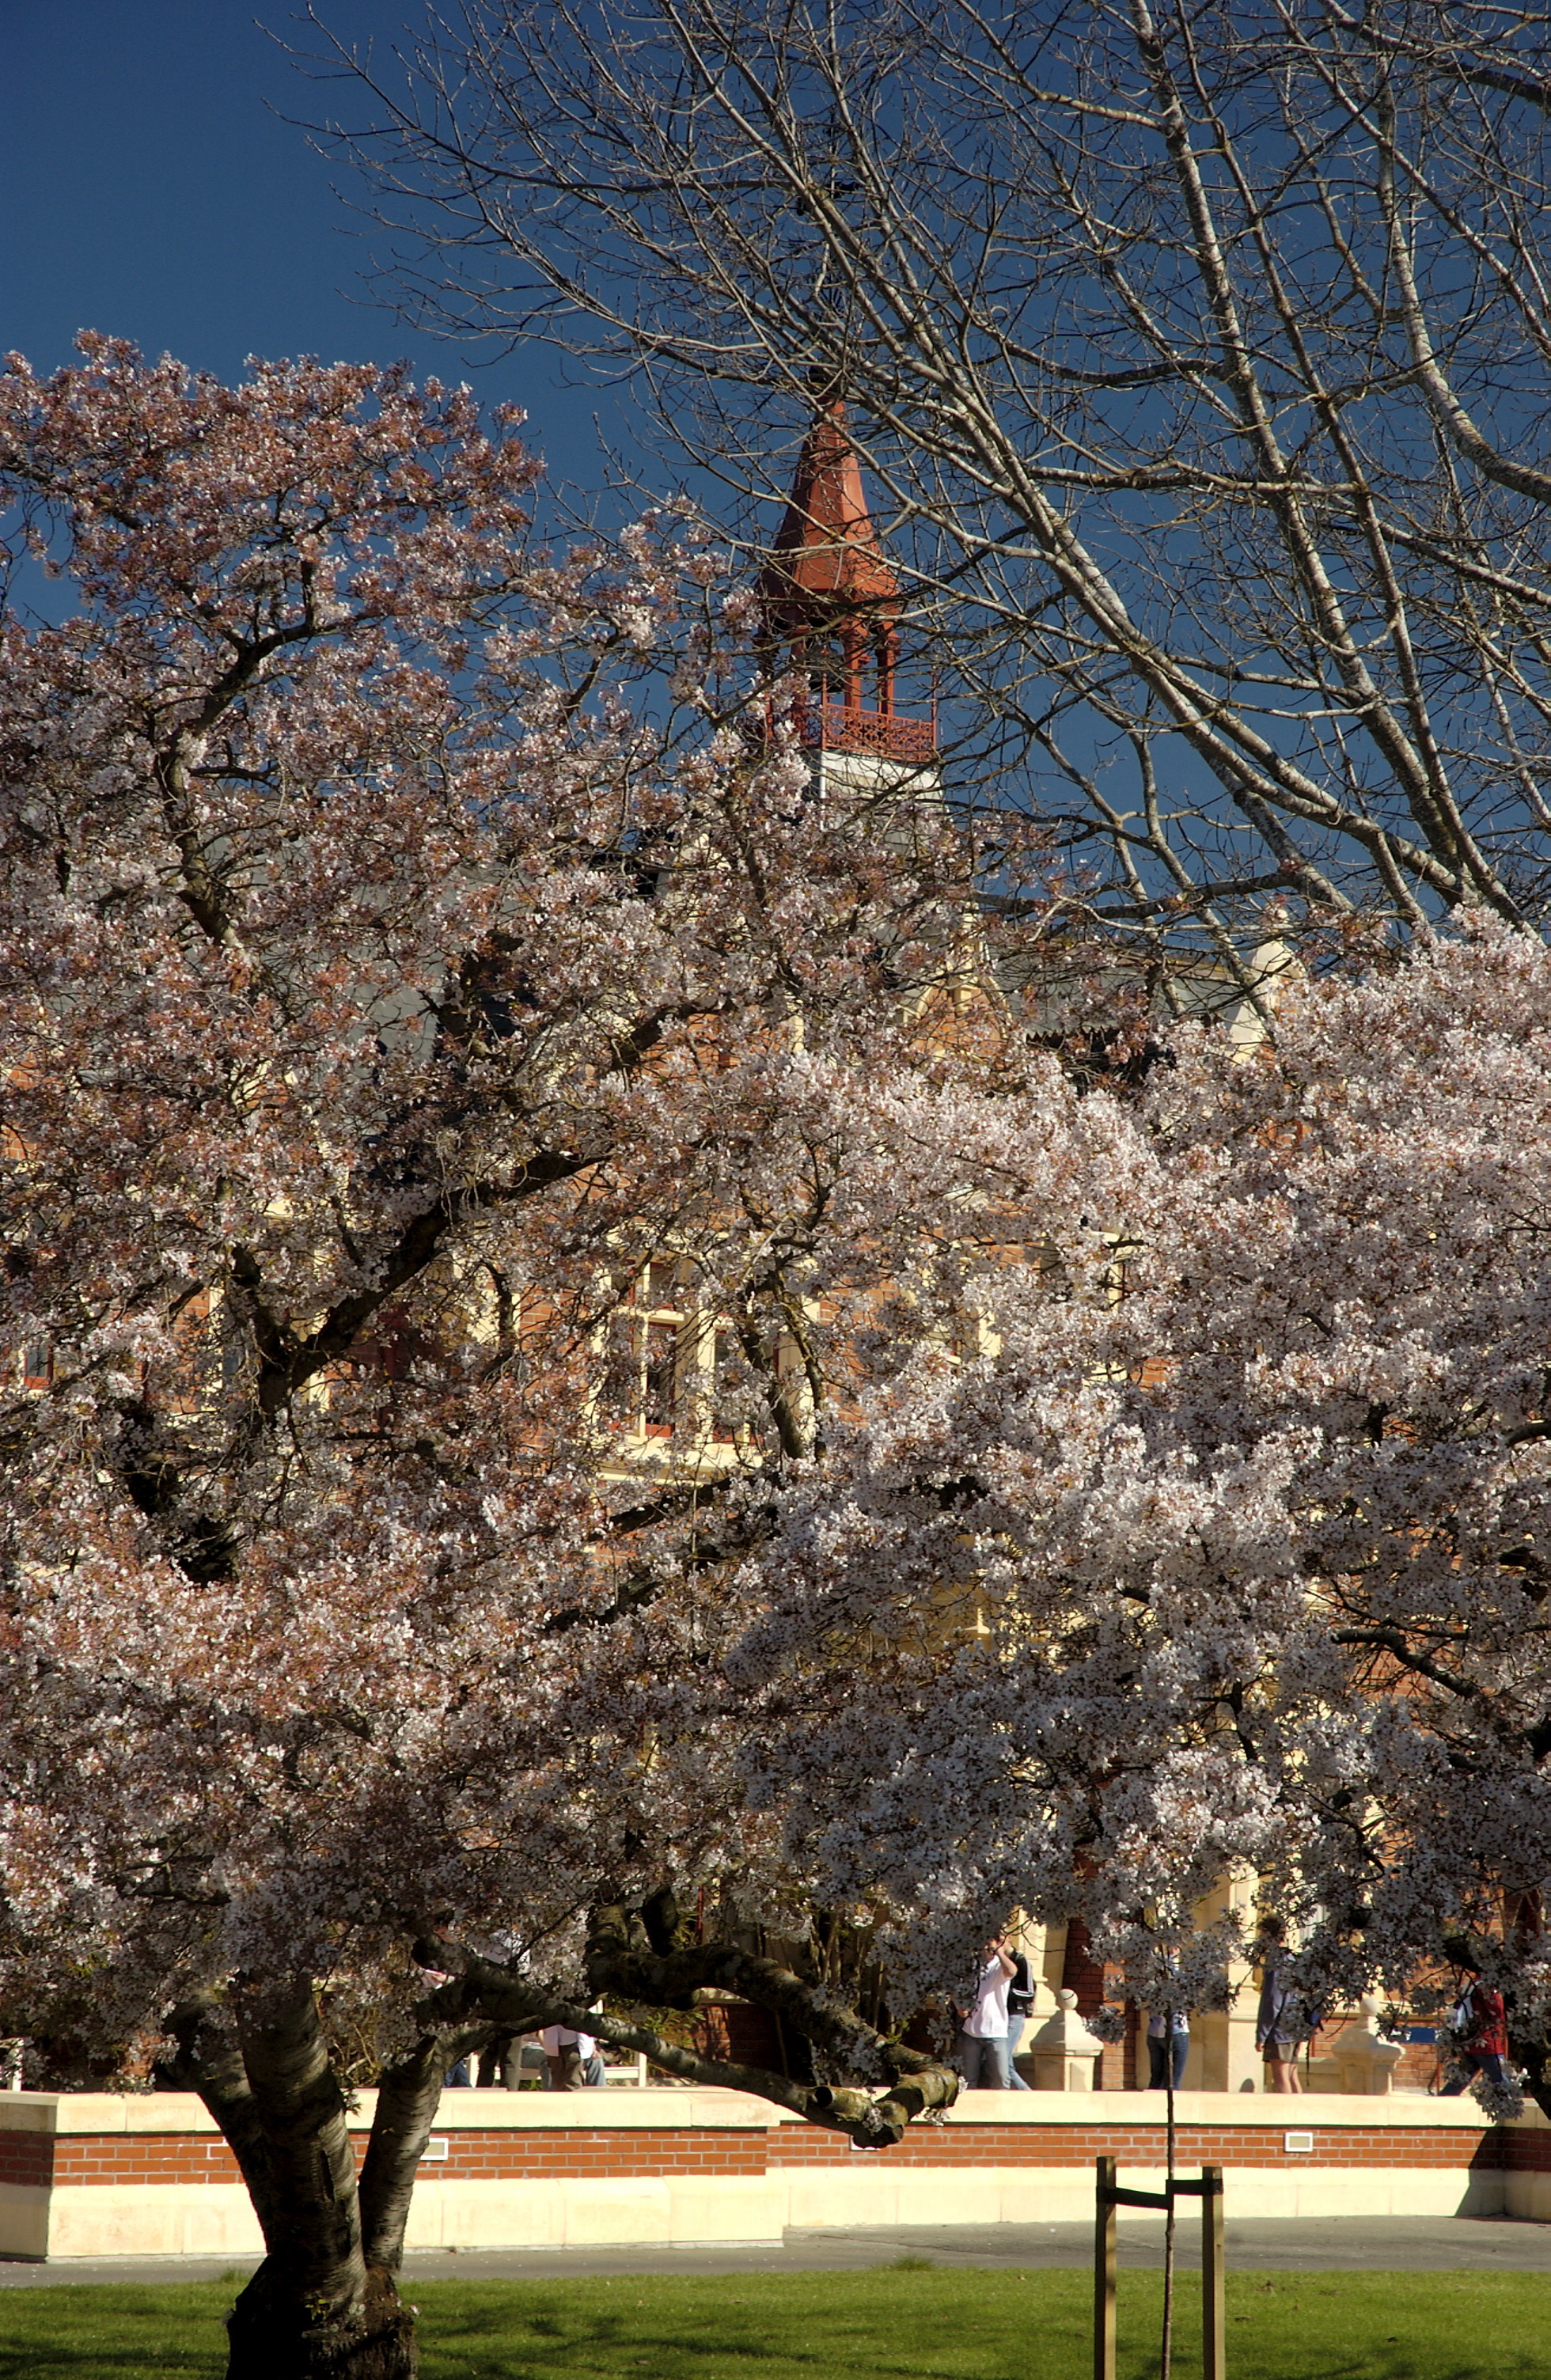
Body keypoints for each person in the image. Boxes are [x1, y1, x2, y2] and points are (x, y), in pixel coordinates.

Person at [1254, 1915, 1309, 2094]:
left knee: (1280, 2078)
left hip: (1280, 2030)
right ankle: (1301, 2111)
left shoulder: (1276, 1964)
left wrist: (1262, 2035)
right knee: (1292, 2076)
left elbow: (1273, 2001)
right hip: (1296, 2026)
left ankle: (1287, 2112)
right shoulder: (1293, 1960)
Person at [955, 1935, 1017, 2090]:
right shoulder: (971, 1966)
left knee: (1001, 2078)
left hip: (996, 2032)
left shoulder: (999, 1966)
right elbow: (956, 1988)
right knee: (967, 2080)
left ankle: (1001, 2104)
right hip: (971, 2031)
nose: (985, 1948)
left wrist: (1000, 1953)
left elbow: (1011, 1971)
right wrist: (959, 2005)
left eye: (989, 1944)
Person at [1440, 1969, 1511, 2096]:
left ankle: (1443, 2098)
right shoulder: (1488, 1986)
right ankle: (1509, 2100)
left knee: (1461, 2078)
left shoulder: (1471, 1983)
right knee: (1502, 2080)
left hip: (1469, 2040)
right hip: (1487, 2042)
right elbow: (1498, 2013)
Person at [1004, 1946, 1035, 2090]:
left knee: (1004, 2061)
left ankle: (1026, 2093)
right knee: (1004, 2062)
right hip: (998, 2017)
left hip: (1014, 2016)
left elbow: (1030, 1992)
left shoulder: (1020, 1960)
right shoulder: (994, 1961)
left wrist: (1006, 1992)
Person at [540, 2022, 606, 2088]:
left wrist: (592, 2044)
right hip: (553, 2045)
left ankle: (595, 2093)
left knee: (573, 2084)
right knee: (558, 2085)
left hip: (575, 2046)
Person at [1147, 2006, 1190, 2090]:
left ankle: (1153, 2098)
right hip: (1177, 2031)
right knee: (1173, 2080)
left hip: (1154, 2032)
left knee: (1156, 2079)